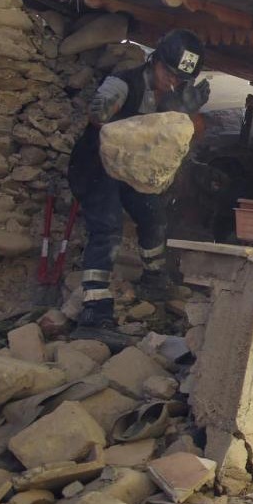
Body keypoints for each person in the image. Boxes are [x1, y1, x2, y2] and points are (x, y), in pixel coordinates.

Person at [68, 30, 209, 338]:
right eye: (169, 73)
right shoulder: (123, 82)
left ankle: (155, 280)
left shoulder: (176, 96)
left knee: (154, 216)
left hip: (136, 172)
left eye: (180, 79)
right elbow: (98, 115)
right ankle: (95, 309)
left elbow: (193, 134)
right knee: (107, 227)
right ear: (155, 61)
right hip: (97, 166)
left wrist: (186, 116)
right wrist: (161, 119)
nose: (173, 82)